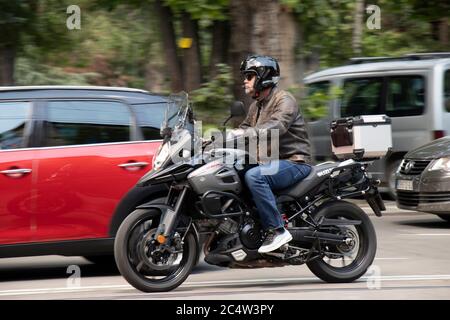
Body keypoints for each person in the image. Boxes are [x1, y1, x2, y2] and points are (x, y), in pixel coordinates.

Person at [235, 54, 312, 253]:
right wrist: (211, 142)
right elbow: (241, 130)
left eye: (249, 76)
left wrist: (245, 132)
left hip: (294, 161)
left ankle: (277, 230)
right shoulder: (256, 106)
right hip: (271, 163)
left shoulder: (284, 100)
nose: (245, 80)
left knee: (255, 176)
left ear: (263, 76)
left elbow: (277, 125)